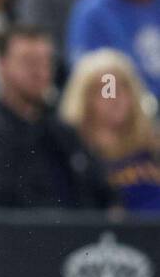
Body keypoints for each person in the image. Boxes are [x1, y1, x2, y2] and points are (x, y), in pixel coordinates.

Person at [0, 25, 112, 209]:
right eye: (28, 62)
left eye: (45, 62)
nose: (39, 71)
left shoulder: (63, 131)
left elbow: (100, 194)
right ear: (0, 65)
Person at [60, 48, 160, 211]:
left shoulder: (154, 149)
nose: (114, 98)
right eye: (103, 90)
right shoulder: (71, 156)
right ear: (83, 99)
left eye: (123, 88)